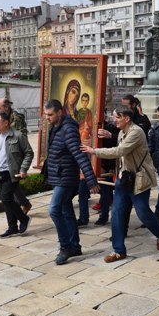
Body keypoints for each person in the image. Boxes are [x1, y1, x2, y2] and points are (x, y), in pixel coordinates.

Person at [81, 107, 159, 263]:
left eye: (117, 117)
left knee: (143, 213)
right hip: (123, 179)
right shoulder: (122, 132)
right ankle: (118, 251)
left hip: (138, 179)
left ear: (127, 119)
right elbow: (119, 158)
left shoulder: (136, 132)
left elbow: (119, 151)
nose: (114, 120)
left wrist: (94, 151)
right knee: (116, 213)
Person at [43, 99, 99, 265]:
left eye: (50, 115)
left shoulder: (68, 129)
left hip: (66, 178)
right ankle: (75, 246)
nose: (47, 118)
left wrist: (91, 180)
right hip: (58, 175)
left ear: (60, 112)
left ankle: (65, 247)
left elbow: (80, 155)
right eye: (46, 115)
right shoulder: (55, 127)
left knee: (54, 209)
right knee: (66, 210)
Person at [0, 113, 34, 237]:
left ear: (6, 123)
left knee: (6, 199)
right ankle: (12, 227)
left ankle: (24, 219)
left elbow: (29, 153)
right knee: (7, 201)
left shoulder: (18, 136)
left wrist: (23, 169)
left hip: (12, 173)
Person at [78, 117, 118, 227]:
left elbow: (115, 148)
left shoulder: (109, 128)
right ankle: (83, 218)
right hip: (87, 166)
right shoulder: (83, 127)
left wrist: (110, 166)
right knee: (82, 192)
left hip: (103, 166)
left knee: (104, 192)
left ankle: (103, 217)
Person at [0, 97, 31, 213]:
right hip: (6, 154)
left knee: (12, 181)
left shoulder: (16, 118)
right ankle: (23, 204)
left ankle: (20, 207)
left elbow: (21, 138)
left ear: (6, 107)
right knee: (12, 182)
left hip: (16, 155)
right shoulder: (1, 118)